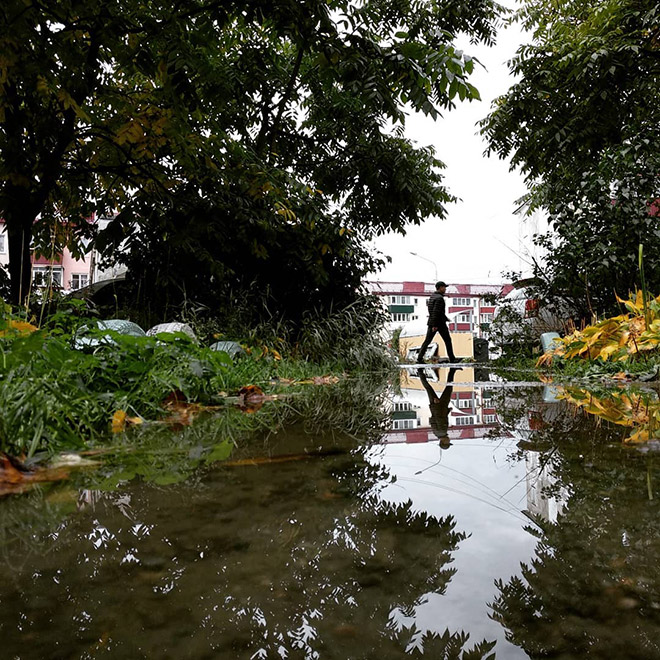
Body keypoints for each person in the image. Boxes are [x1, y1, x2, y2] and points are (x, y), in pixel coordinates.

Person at [417, 281, 459, 363]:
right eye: (444, 287)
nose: (445, 289)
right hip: (439, 323)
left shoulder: (432, 296)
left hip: (432, 322)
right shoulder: (439, 298)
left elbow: (431, 311)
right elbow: (436, 312)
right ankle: (452, 358)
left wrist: (444, 318)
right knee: (447, 340)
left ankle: (419, 358)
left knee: (427, 341)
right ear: (440, 288)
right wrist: (435, 325)